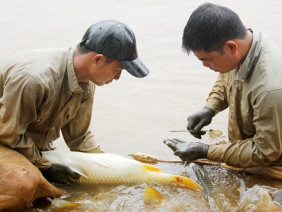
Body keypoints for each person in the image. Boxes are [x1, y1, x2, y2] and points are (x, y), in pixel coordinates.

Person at [0, 20, 149, 185]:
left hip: (28, 143)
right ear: (98, 59)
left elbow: (80, 138)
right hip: (6, 138)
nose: (117, 78)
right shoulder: (35, 80)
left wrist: (109, 165)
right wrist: (47, 167)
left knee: (77, 185)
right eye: (117, 70)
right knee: (28, 185)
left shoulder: (87, 83)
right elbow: (9, 134)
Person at [164, 3, 282, 175]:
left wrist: (206, 151)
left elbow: (265, 151)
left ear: (231, 47)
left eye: (207, 59)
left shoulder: (270, 89)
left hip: (272, 164)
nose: (205, 65)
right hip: (251, 153)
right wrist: (210, 108)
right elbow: (226, 75)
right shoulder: (245, 44)